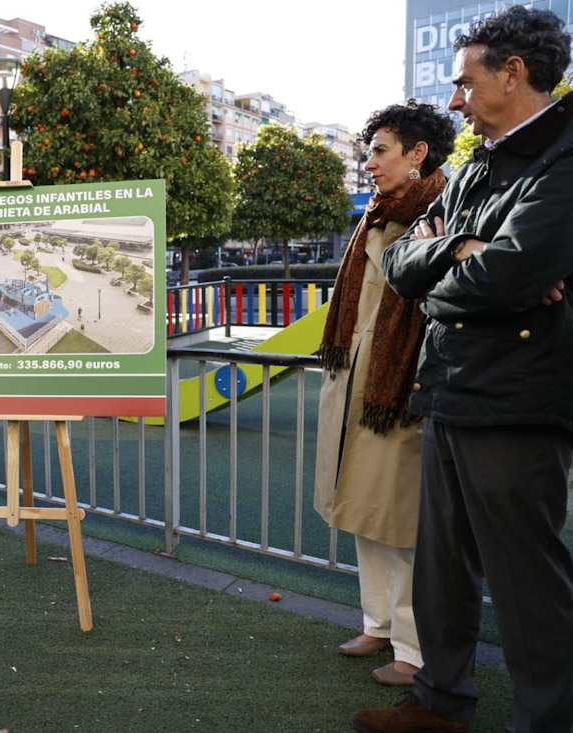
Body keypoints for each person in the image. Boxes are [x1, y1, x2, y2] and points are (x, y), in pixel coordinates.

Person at [354, 7, 573, 733]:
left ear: (513, 74)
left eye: (464, 83)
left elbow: (510, 276)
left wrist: (454, 268)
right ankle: (440, 704)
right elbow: (400, 263)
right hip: (449, 387)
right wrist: (457, 249)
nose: (454, 101)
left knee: (526, 582)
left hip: (518, 400)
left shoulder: (564, 156)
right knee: (442, 568)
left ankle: (547, 719)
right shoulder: (480, 163)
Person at [314, 101, 455, 688]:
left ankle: (413, 647)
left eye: (379, 150)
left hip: (403, 388)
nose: (368, 163)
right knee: (365, 511)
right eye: (368, 151)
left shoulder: (446, 209)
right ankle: (377, 623)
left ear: (417, 153)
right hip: (361, 384)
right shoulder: (377, 213)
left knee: (403, 524)